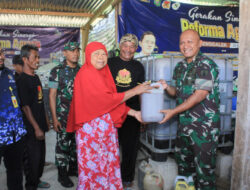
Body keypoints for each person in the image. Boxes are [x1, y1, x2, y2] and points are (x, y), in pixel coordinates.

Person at [66, 41, 152, 190]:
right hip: (92, 133)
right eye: (96, 54)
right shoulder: (86, 73)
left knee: (107, 164)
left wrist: (134, 113)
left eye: (103, 54)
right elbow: (106, 100)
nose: (101, 57)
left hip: (106, 132)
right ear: (88, 56)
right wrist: (135, 91)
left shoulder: (103, 73)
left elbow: (111, 102)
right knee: (94, 169)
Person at [159, 29, 220, 190]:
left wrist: (173, 112)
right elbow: (176, 93)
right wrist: (166, 87)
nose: (185, 46)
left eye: (190, 41)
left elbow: (200, 94)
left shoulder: (206, 64)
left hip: (203, 129)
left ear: (200, 44)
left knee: (204, 174)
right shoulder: (180, 67)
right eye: (182, 42)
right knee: (184, 171)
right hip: (184, 127)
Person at [108, 33, 145, 189]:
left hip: (133, 113)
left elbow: (142, 91)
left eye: (132, 46)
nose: (128, 49)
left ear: (136, 49)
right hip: (111, 111)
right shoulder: (109, 63)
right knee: (110, 147)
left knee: (130, 148)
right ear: (120, 46)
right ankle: (110, 176)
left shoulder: (138, 66)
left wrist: (143, 113)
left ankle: (127, 178)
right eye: (125, 45)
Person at [16, 44, 50, 190]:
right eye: (34, 57)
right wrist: (36, 128)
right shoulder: (22, 80)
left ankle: (36, 180)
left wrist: (47, 120)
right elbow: (25, 107)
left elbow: (40, 101)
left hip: (41, 124)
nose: (38, 60)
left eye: (38, 56)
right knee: (32, 160)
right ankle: (31, 185)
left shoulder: (35, 77)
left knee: (41, 159)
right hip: (31, 129)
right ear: (25, 59)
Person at [48, 42, 80, 187]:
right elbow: (52, 95)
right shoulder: (56, 71)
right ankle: (62, 174)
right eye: (71, 51)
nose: (75, 53)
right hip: (63, 116)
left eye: (77, 50)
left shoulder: (82, 70)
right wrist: (54, 118)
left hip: (79, 117)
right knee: (63, 145)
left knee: (76, 144)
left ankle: (73, 169)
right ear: (65, 53)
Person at [0, 48, 27, 190]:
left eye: (2, 53)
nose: (2, 56)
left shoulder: (9, 74)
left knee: (16, 173)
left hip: (14, 136)